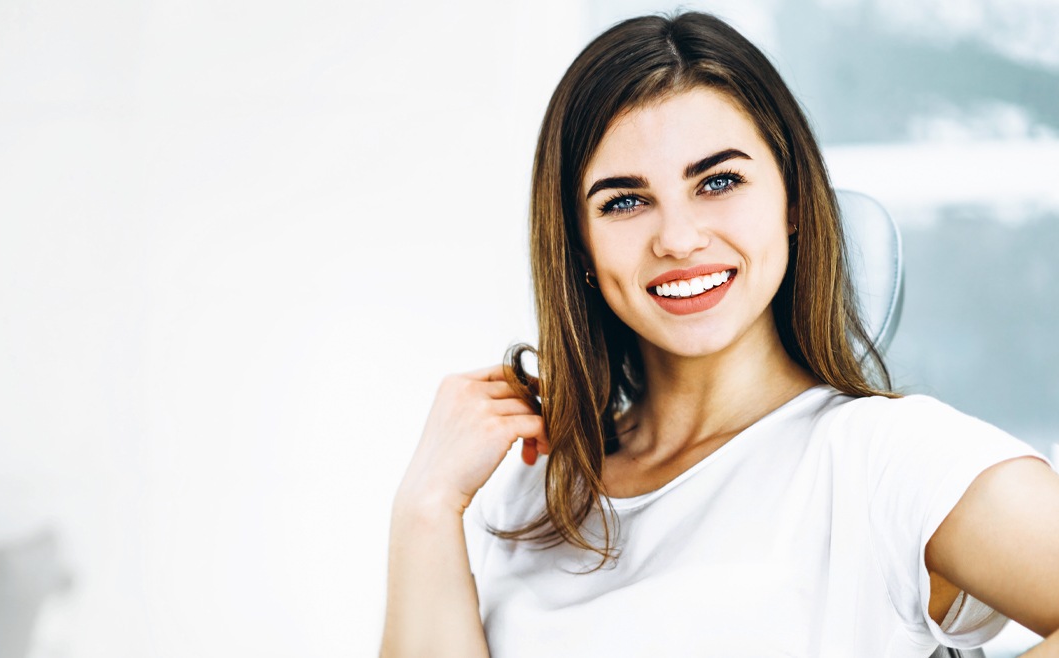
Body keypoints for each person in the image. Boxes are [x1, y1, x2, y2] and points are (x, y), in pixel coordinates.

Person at [380, 11, 1059, 658]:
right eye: (625, 201)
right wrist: (428, 506)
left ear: (792, 199)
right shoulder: (545, 487)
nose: (677, 238)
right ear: (579, 247)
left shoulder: (885, 460)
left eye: (718, 181)